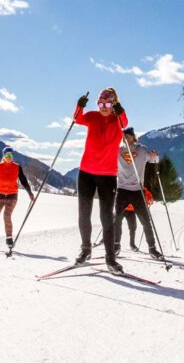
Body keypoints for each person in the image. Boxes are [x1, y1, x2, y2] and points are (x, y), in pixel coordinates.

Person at [73, 87, 128, 273]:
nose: (103, 107)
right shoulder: (93, 117)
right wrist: (79, 106)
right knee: (84, 213)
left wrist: (121, 111)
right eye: (101, 104)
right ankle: (85, 250)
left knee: (106, 218)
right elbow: (78, 119)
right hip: (86, 172)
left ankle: (110, 259)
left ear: (114, 104)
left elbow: (125, 122)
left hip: (108, 175)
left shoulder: (117, 119)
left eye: (108, 104)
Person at [114, 128, 163, 260]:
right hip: (122, 189)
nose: (125, 138)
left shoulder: (141, 150)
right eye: (123, 136)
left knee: (146, 221)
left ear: (133, 137)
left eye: (128, 136)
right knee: (116, 219)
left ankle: (152, 249)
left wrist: (154, 156)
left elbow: (155, 160)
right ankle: (116, 246)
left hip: (137, 190)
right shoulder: (118, 151)